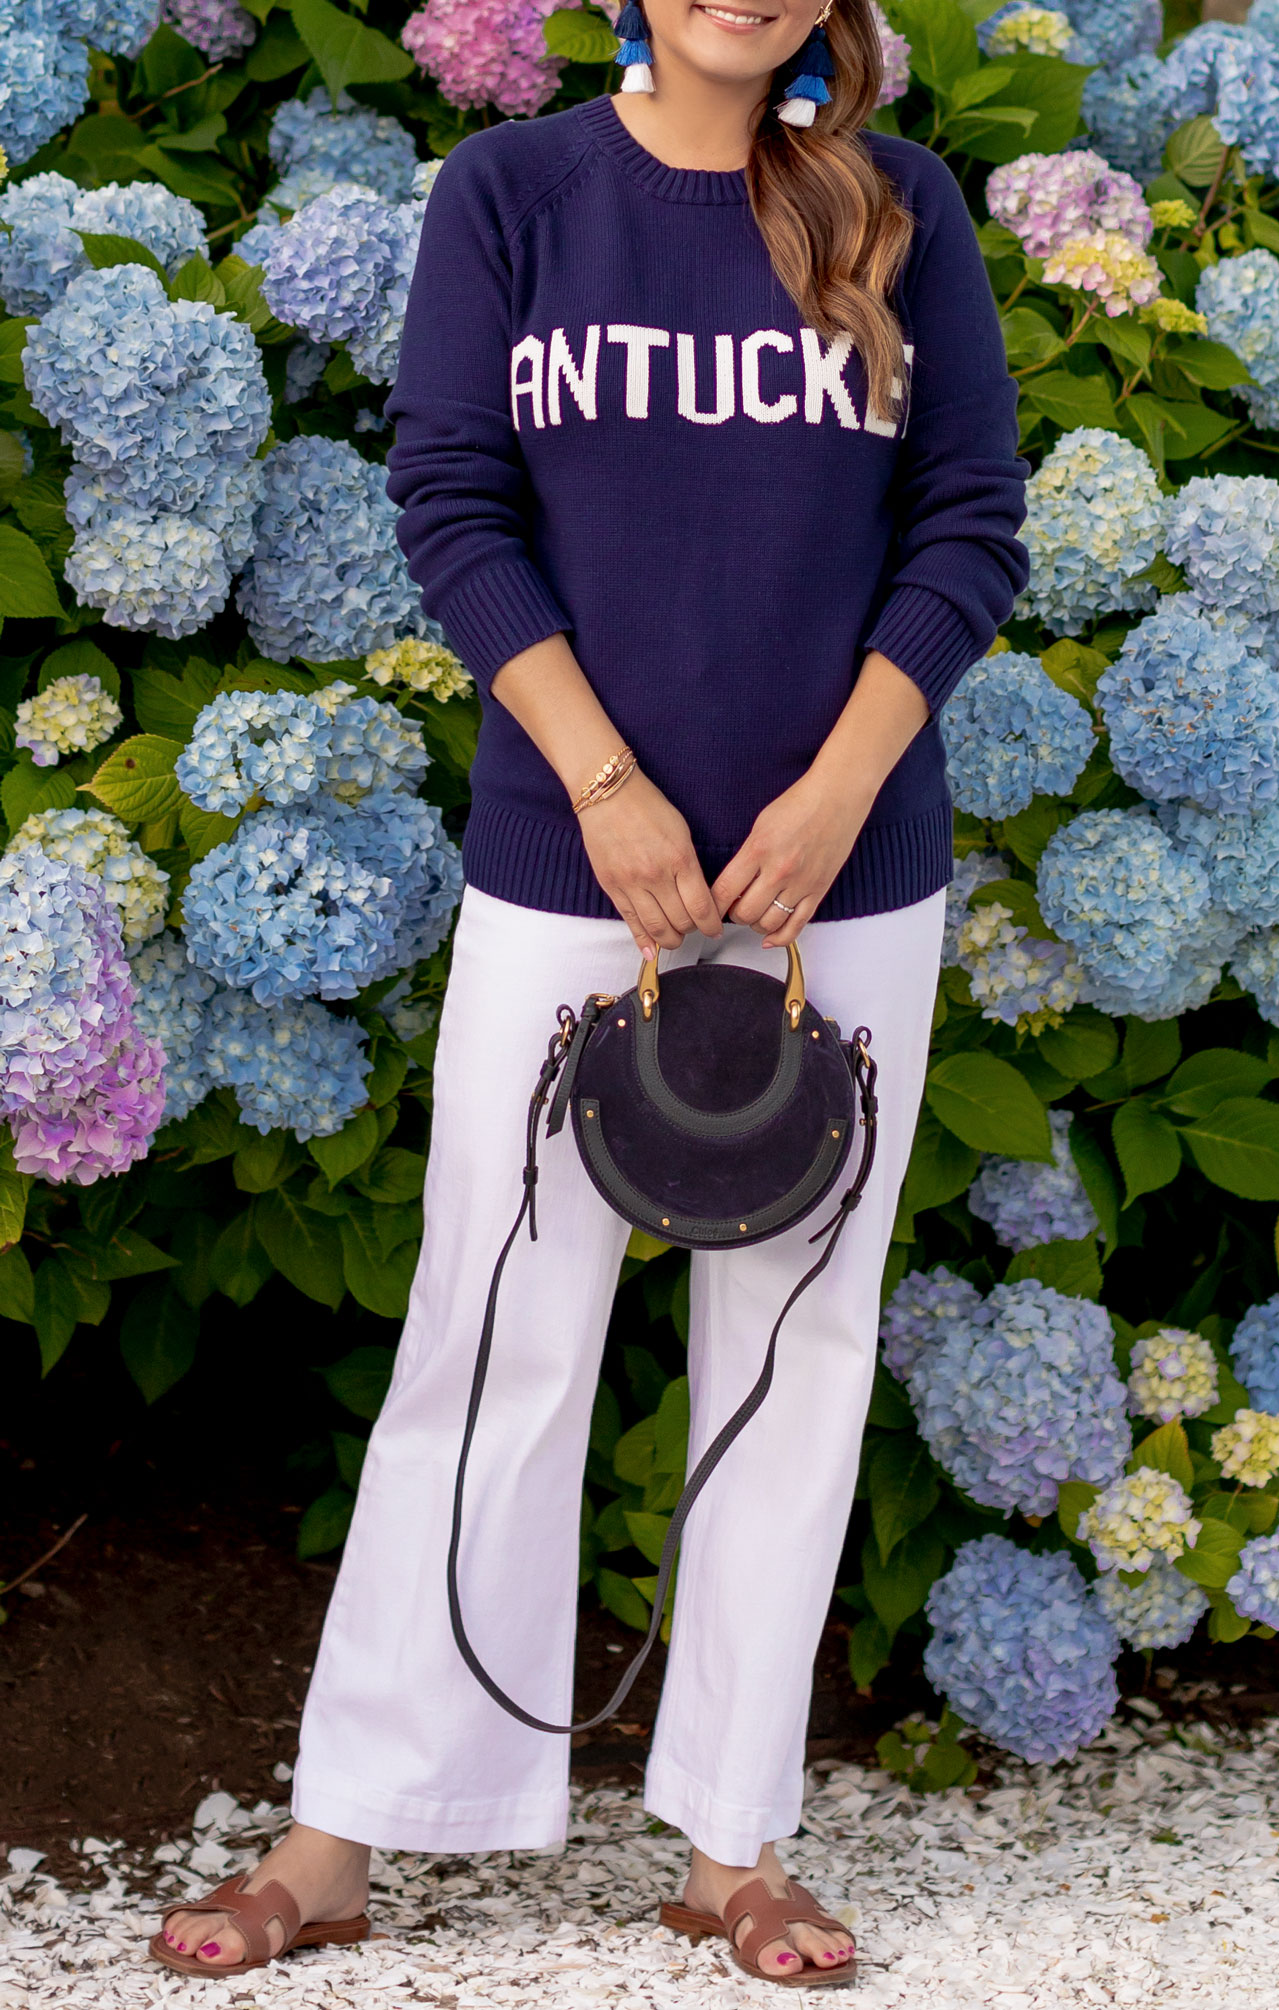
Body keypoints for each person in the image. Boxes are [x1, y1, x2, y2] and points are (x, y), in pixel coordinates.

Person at [150, 0, 1027, 1986]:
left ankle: (736, 1845)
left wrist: (830, 797)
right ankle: (353, 1828)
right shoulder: (515, 192)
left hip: (837, 885)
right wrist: (608, 792)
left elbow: (966, 525)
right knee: (493, 1330)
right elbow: (453, 504)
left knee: (792, 1359)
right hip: (573, 862)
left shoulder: (895, 208)